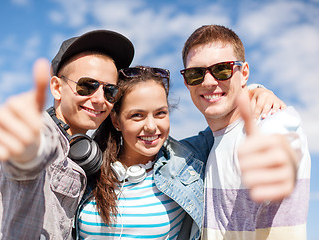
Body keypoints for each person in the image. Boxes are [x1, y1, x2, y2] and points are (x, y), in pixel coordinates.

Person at [75, 66, 287, 239]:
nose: (151, 126)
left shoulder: (187, 159)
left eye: (160, 113)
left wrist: (256, 91)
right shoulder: (86, 166)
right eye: (137, 116)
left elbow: (230, 116)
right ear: (116, 121)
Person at [0, 30, 134, 239]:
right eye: (87, 86)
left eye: (110, 90)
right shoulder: (40, 133)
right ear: (57, 88)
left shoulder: (79, 151)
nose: (100, 99)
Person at [180, 24, 311, 239]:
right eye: (195, 73)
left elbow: (280, 147)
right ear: (186, 81)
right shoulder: (204, 148)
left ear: (245, 73)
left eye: (222, 69)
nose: (209, 82)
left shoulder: (275, 119)